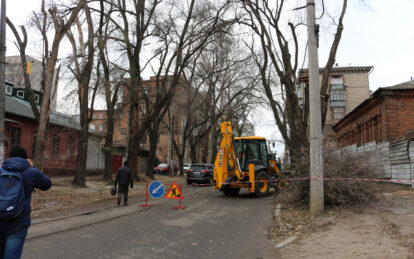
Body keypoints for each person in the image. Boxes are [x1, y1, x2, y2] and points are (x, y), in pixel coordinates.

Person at [0, 145, 52, 259]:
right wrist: (33, 167)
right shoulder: (31, 173)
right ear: (25, 158)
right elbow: (47, 184)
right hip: (18, 223)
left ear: (9, 157)